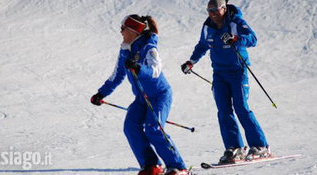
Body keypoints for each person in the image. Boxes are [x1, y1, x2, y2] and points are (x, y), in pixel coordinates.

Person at [90, 14, 188, 175]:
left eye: (123, 29)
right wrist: (101, 93)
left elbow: (155, 70)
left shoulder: (149, 46)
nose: (120, 32)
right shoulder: (125, 49)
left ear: (134, 31)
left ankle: (178, 167)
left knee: (153, 128)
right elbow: (117, 75)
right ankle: (151, 165)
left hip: (159, 96)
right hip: (141, 98)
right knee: (130, 126)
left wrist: (139, 68)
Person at [181, 0, 270, 164]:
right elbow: (202, 45)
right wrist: (191, 62)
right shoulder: (208, 26)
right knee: (223, 110)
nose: (212, 13)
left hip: (238, 71)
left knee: (241, 107)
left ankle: (260, 146)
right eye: (209, 10)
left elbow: (253, 39)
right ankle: (234, 148)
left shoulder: (236, 22)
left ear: (224, 8)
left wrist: (236, 39)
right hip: (219, 74)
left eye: (215, 9)